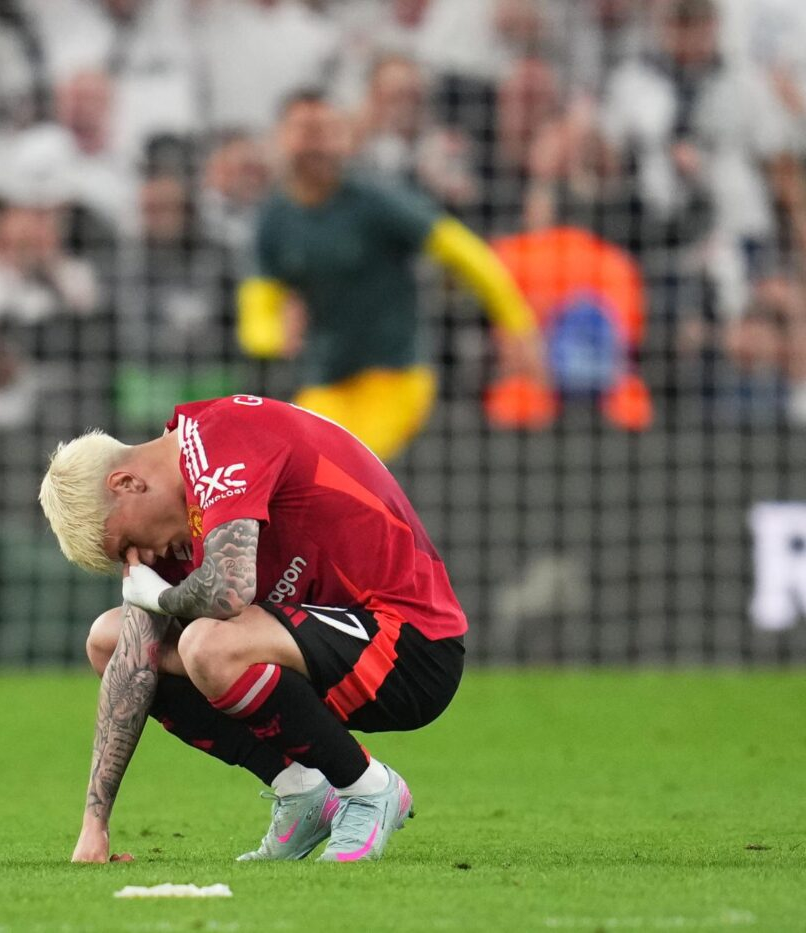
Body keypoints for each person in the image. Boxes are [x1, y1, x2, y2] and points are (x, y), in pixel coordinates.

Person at [39, 394, 467, 863]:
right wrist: (95, 826)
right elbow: (132, 661)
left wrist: (160, 598)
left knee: (208, 644)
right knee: (109, 639)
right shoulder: (170, 520)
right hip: (325, 649)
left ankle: (369, 790)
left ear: (127, 483)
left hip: (412, 647)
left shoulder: (222, 436)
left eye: (126, 543)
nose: (139, 559)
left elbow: (229, 590)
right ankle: (303, 791)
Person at [237, 90, 543, 460]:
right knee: (300, 462)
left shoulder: (377, 200)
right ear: (282, 138)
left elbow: (464, 252)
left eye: (327, 131)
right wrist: (274, 339)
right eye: (307, 131)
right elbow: (257, 307)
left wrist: (517, 324)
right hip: (327, 382)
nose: (318, 144)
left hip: (396, 377)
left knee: (345, 464)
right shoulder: (274, 219)